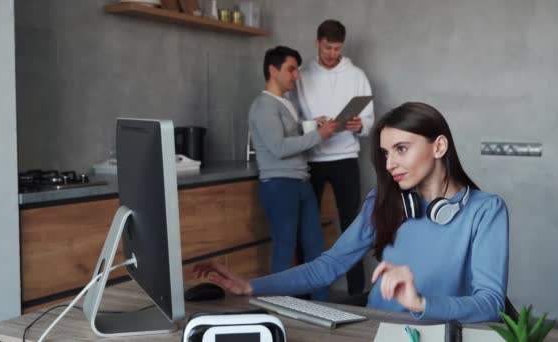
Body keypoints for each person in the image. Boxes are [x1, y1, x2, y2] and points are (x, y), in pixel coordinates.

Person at [195, 102, 509, 323]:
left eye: (401, 149)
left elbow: (491, 304)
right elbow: (327, 267)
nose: (389, 164)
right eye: (386, 153)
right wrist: (252, 286)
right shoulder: (383, 200)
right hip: (374, 329)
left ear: (439, 147)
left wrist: (420, 303)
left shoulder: (485, 211)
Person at [291, 19, 375, 295]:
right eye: (328, 48)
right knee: (306, 225)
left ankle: (356, 290)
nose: (332, 54)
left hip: (345, 158)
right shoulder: (301, 75)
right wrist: (311, 124)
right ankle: (305, 288)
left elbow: (370, 121)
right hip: (311, 159)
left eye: (337, 49)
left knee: (352, 224)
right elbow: (291, 119)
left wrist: (358, 125)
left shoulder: (357, 76)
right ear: (317, 43)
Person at [247, 46, 338, 301]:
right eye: (291, 69)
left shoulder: (285, 103)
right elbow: (277, 147)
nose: (296, 75)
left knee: (316, 249)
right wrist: (318, 135)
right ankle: (281, 309)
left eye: (297, 69)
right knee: (284, 249)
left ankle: (323, 306)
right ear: (272, 70)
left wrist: (308, 126)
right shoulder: (263, 105)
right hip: (279, 185)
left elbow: (288, 134)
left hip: (300, 182)